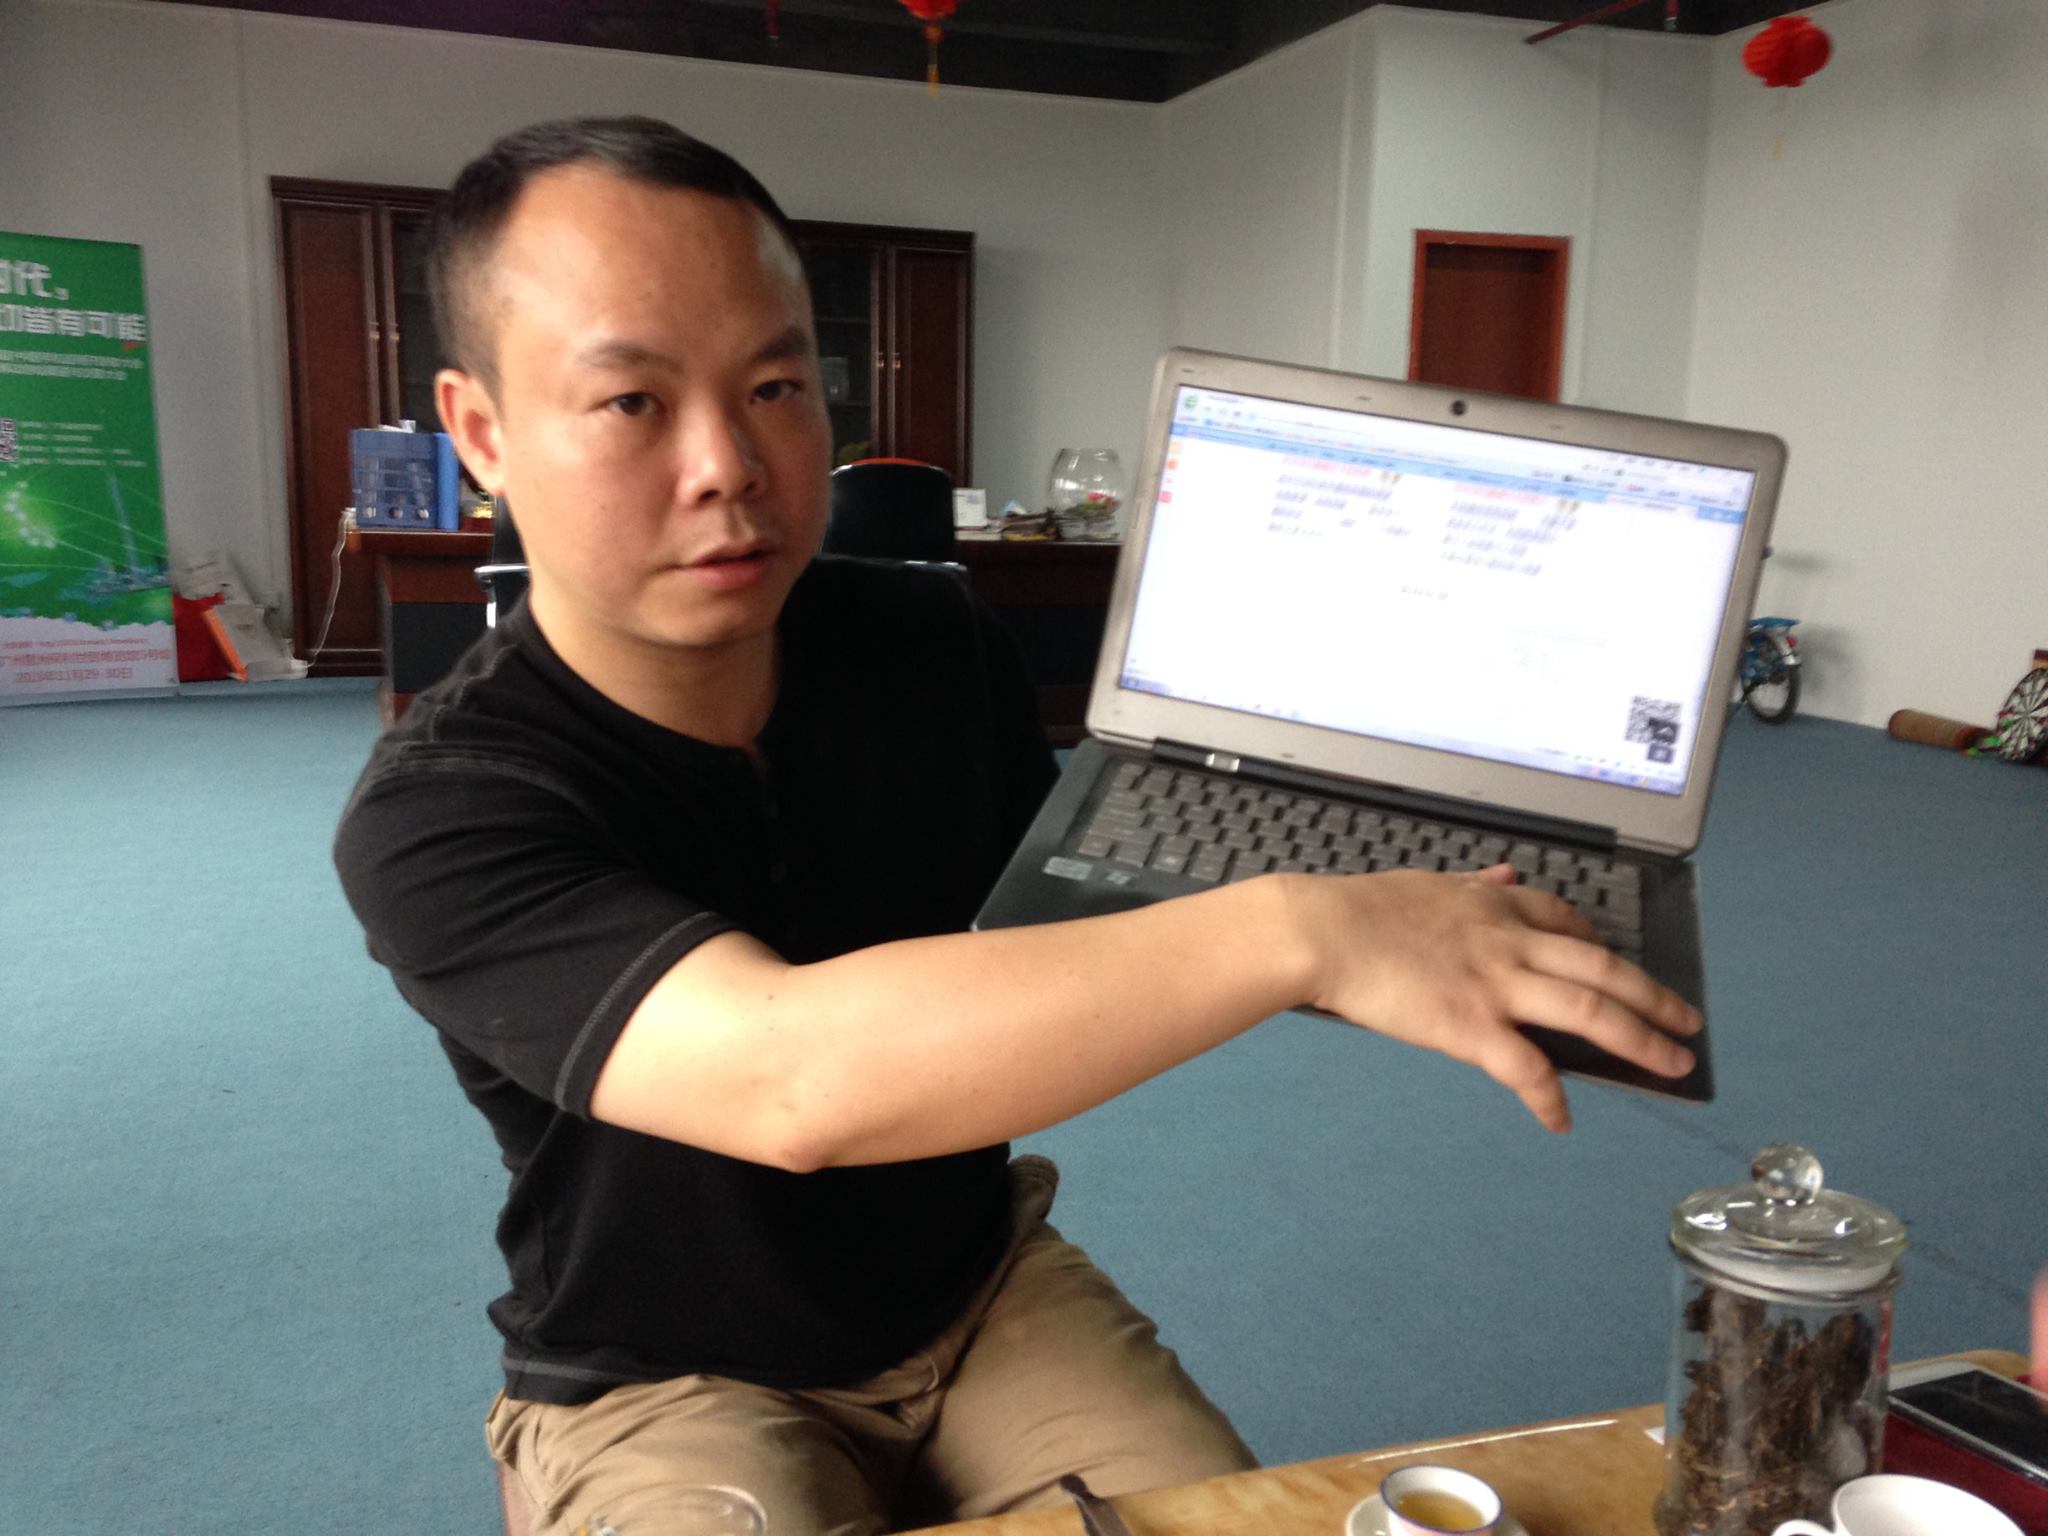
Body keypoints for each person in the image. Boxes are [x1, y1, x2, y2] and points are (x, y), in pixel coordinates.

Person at [332, 116, 1701, 1536]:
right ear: (483, 432)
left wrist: (1389, 848)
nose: (728, 463)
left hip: (976, 1293)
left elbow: (1075, 924)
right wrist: (1307, 928)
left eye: (776, 386)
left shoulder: (933, 641)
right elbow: (790, 1082)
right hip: (662, 1369)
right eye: (632, 401)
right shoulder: (445, 807)